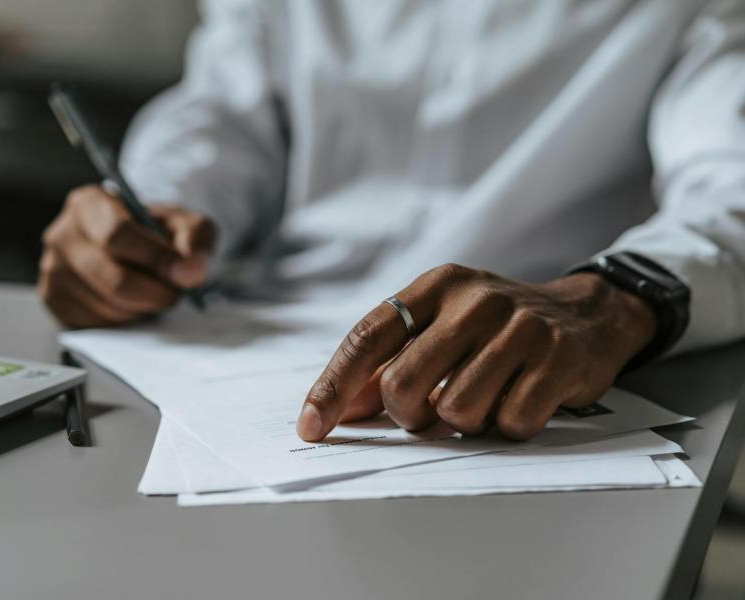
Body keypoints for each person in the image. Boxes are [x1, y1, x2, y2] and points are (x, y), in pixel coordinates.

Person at [39, 0, 745, 443]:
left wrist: (617, 298)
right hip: (235, 350)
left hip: (527, 384)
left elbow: (732, 179)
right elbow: (223, 114)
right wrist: (152, 222)